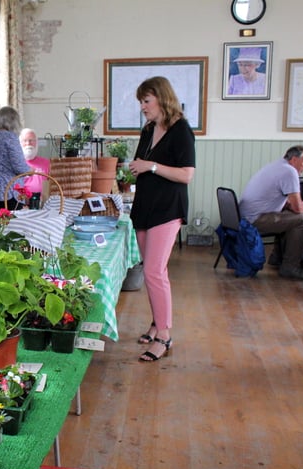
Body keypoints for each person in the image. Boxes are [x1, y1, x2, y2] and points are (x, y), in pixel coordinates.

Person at [128, 76, 195, 362]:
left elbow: (186, 174)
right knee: (152, 271)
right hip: (145, 206)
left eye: (146, 101)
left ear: (161, 98)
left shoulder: (181, 130)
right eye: (141, 102)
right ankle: (156, 324)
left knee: (155, 271)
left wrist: (151, 166)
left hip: (168, 209)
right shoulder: (148, 130)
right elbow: (140, 165)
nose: (143, 106)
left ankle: (165, 337)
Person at [238, 145, 303, 280]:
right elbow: (298, 208)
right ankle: (290, 267)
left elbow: (279, 198)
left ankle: (277, 257)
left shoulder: (278, 165)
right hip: (254, 219)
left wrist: (295, 206)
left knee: (292, 217)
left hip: (245, 216)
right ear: (295, 159)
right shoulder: (289, 171)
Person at [0, 106, 31, 211]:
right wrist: (31, 171)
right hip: (7, 192)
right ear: (14, 122)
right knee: (11, 225)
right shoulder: (10, 138)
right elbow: (20, 167)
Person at [19, 128, 50, 208]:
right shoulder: (17, 164)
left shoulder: (47, 163)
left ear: (36, 143)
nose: (28, 143)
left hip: (43, 204)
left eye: (31, 140)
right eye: (25, 141)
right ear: (20, 144)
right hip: (21, 204)